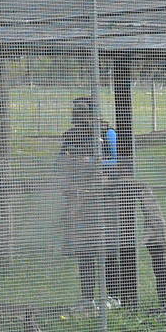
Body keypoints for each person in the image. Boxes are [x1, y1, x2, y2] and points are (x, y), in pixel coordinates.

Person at [59, 97, 117, 301]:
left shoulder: (106, 133)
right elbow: (59, 160)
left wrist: (91, 161)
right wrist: (67, 162)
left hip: (101, 196)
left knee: (106, 247)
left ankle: (112, 296)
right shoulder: (70, 135)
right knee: (84, 249)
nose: (77, 116)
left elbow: (117, 161)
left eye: (82, 111)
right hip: (78, 196)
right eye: (76, 111)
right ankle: (87, 299)